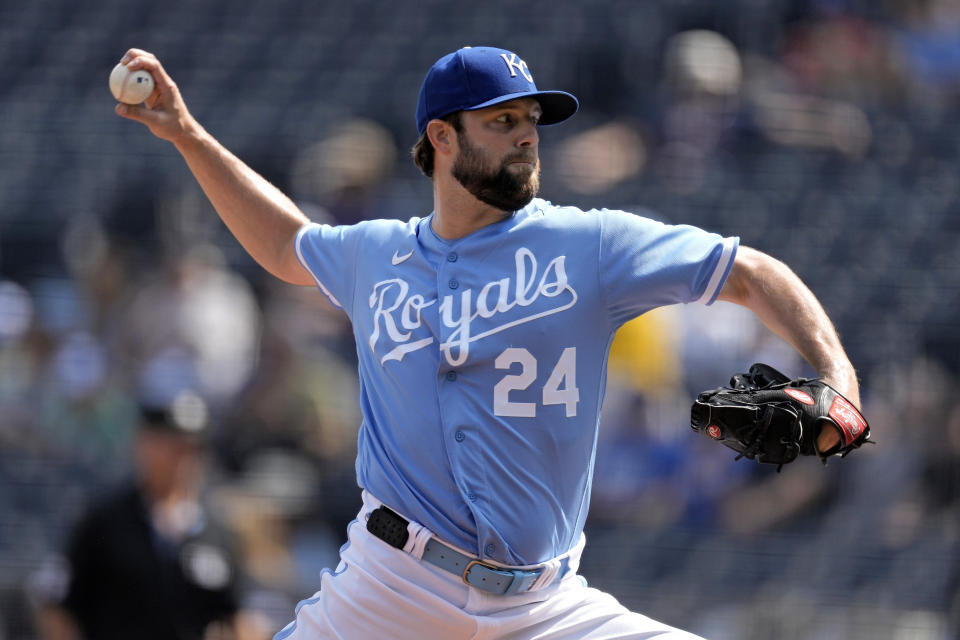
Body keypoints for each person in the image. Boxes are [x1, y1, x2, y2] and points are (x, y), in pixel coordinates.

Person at [113, 45, 860, 639]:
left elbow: (751, 273)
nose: (527, 133)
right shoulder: (378, 255)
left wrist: (837, 373)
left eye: (531, 118)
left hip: (545, 605)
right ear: (441, 137)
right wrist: (185, 131)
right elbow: (286, 245)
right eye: (501, 120)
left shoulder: (589, 243)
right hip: (392, 590)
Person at [34, 390, 263, 640]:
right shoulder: (104, 522)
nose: (184, 459)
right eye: (173, 447)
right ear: (144, 445)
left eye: (192, 449)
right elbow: (56, 606)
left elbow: (239, 616)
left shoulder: (216, 532)